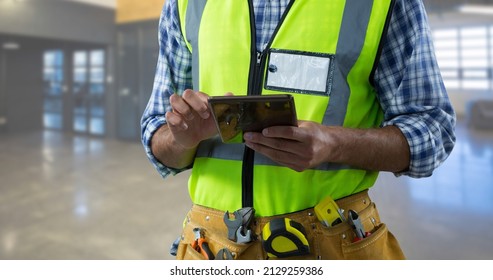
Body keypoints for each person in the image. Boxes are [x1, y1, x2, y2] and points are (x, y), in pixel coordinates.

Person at [141, 0, 456, 260]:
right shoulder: (185, 4)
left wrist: (334, 144)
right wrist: (182, 138)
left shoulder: (383, 5)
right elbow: (157, 136)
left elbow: (433, 130)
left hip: (332, 239)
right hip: (212, 246)